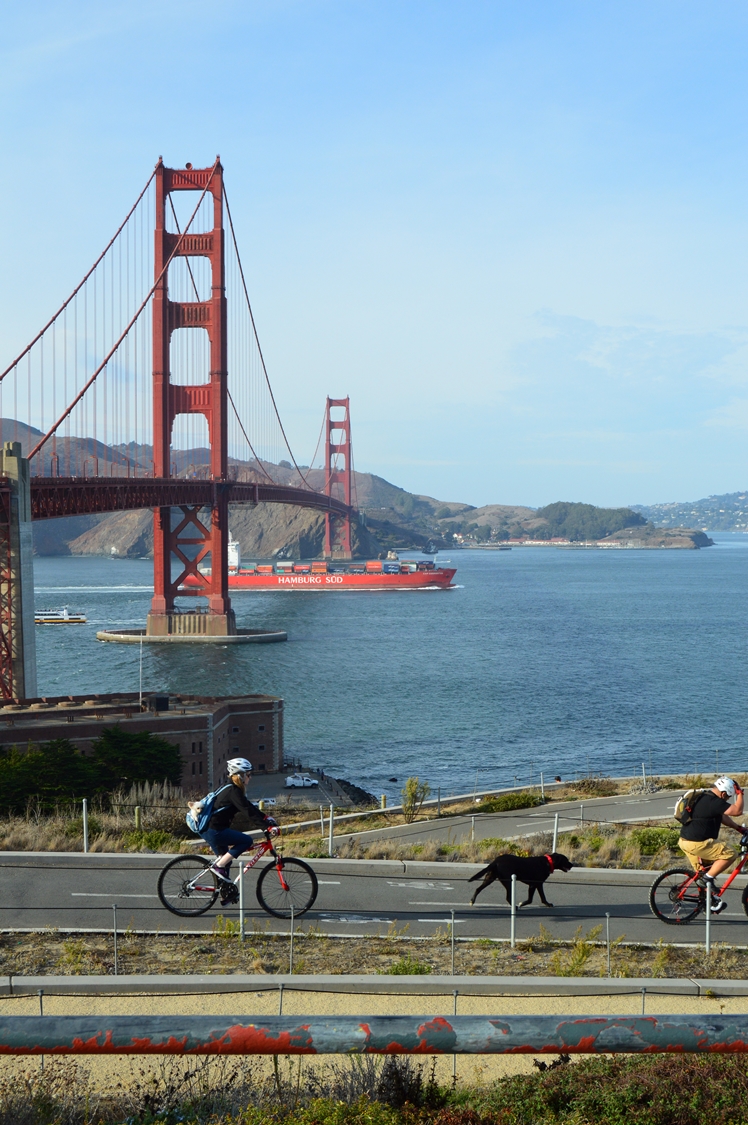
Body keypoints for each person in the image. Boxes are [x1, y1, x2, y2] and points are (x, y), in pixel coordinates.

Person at [191, 757, 277, 904]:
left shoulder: (231, 788)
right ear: (240, 776)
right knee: (246, 841)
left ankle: (225, 892)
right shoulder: (233, 791)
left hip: (211, 829)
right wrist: (266, 827)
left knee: (226, 859)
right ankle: (218, 867)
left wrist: (265, 817)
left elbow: (248, 806)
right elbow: (246, 811)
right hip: (214, 830)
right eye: (248, 775)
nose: (250, 777)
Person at [678, 776, 745, 914]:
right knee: (730, 853)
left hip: (685, 841)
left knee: (703, 871)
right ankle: (707, 879)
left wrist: (738, 828)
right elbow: (737, 811)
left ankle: (708, 902)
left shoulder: (704, 796)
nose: (726, 800)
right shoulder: (715, 801)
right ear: (724, 793)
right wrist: (740, 794)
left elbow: (723, 817)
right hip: (698, 844)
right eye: (727, 798)